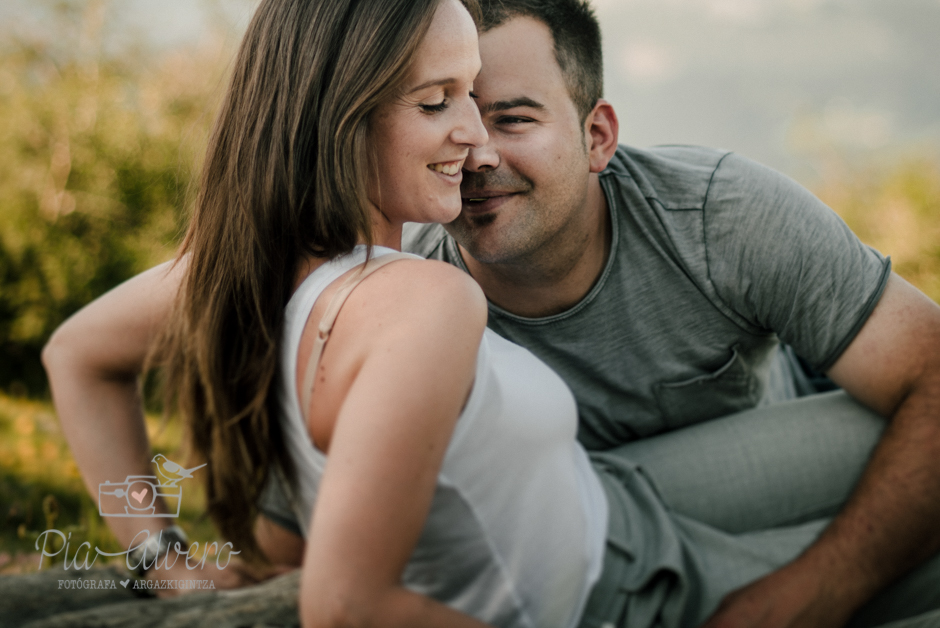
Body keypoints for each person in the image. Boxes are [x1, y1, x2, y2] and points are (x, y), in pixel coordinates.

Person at [41, 0, 940, 627]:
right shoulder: (409, 287)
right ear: (342, 115)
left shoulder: (712, 215)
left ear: (598, 138)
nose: (472, 143)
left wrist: (165, 562)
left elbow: (81, 353)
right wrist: (164, 564)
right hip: (605, 580)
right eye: (442, 103)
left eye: (494, 108)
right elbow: (326, 581)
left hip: (614, 502)